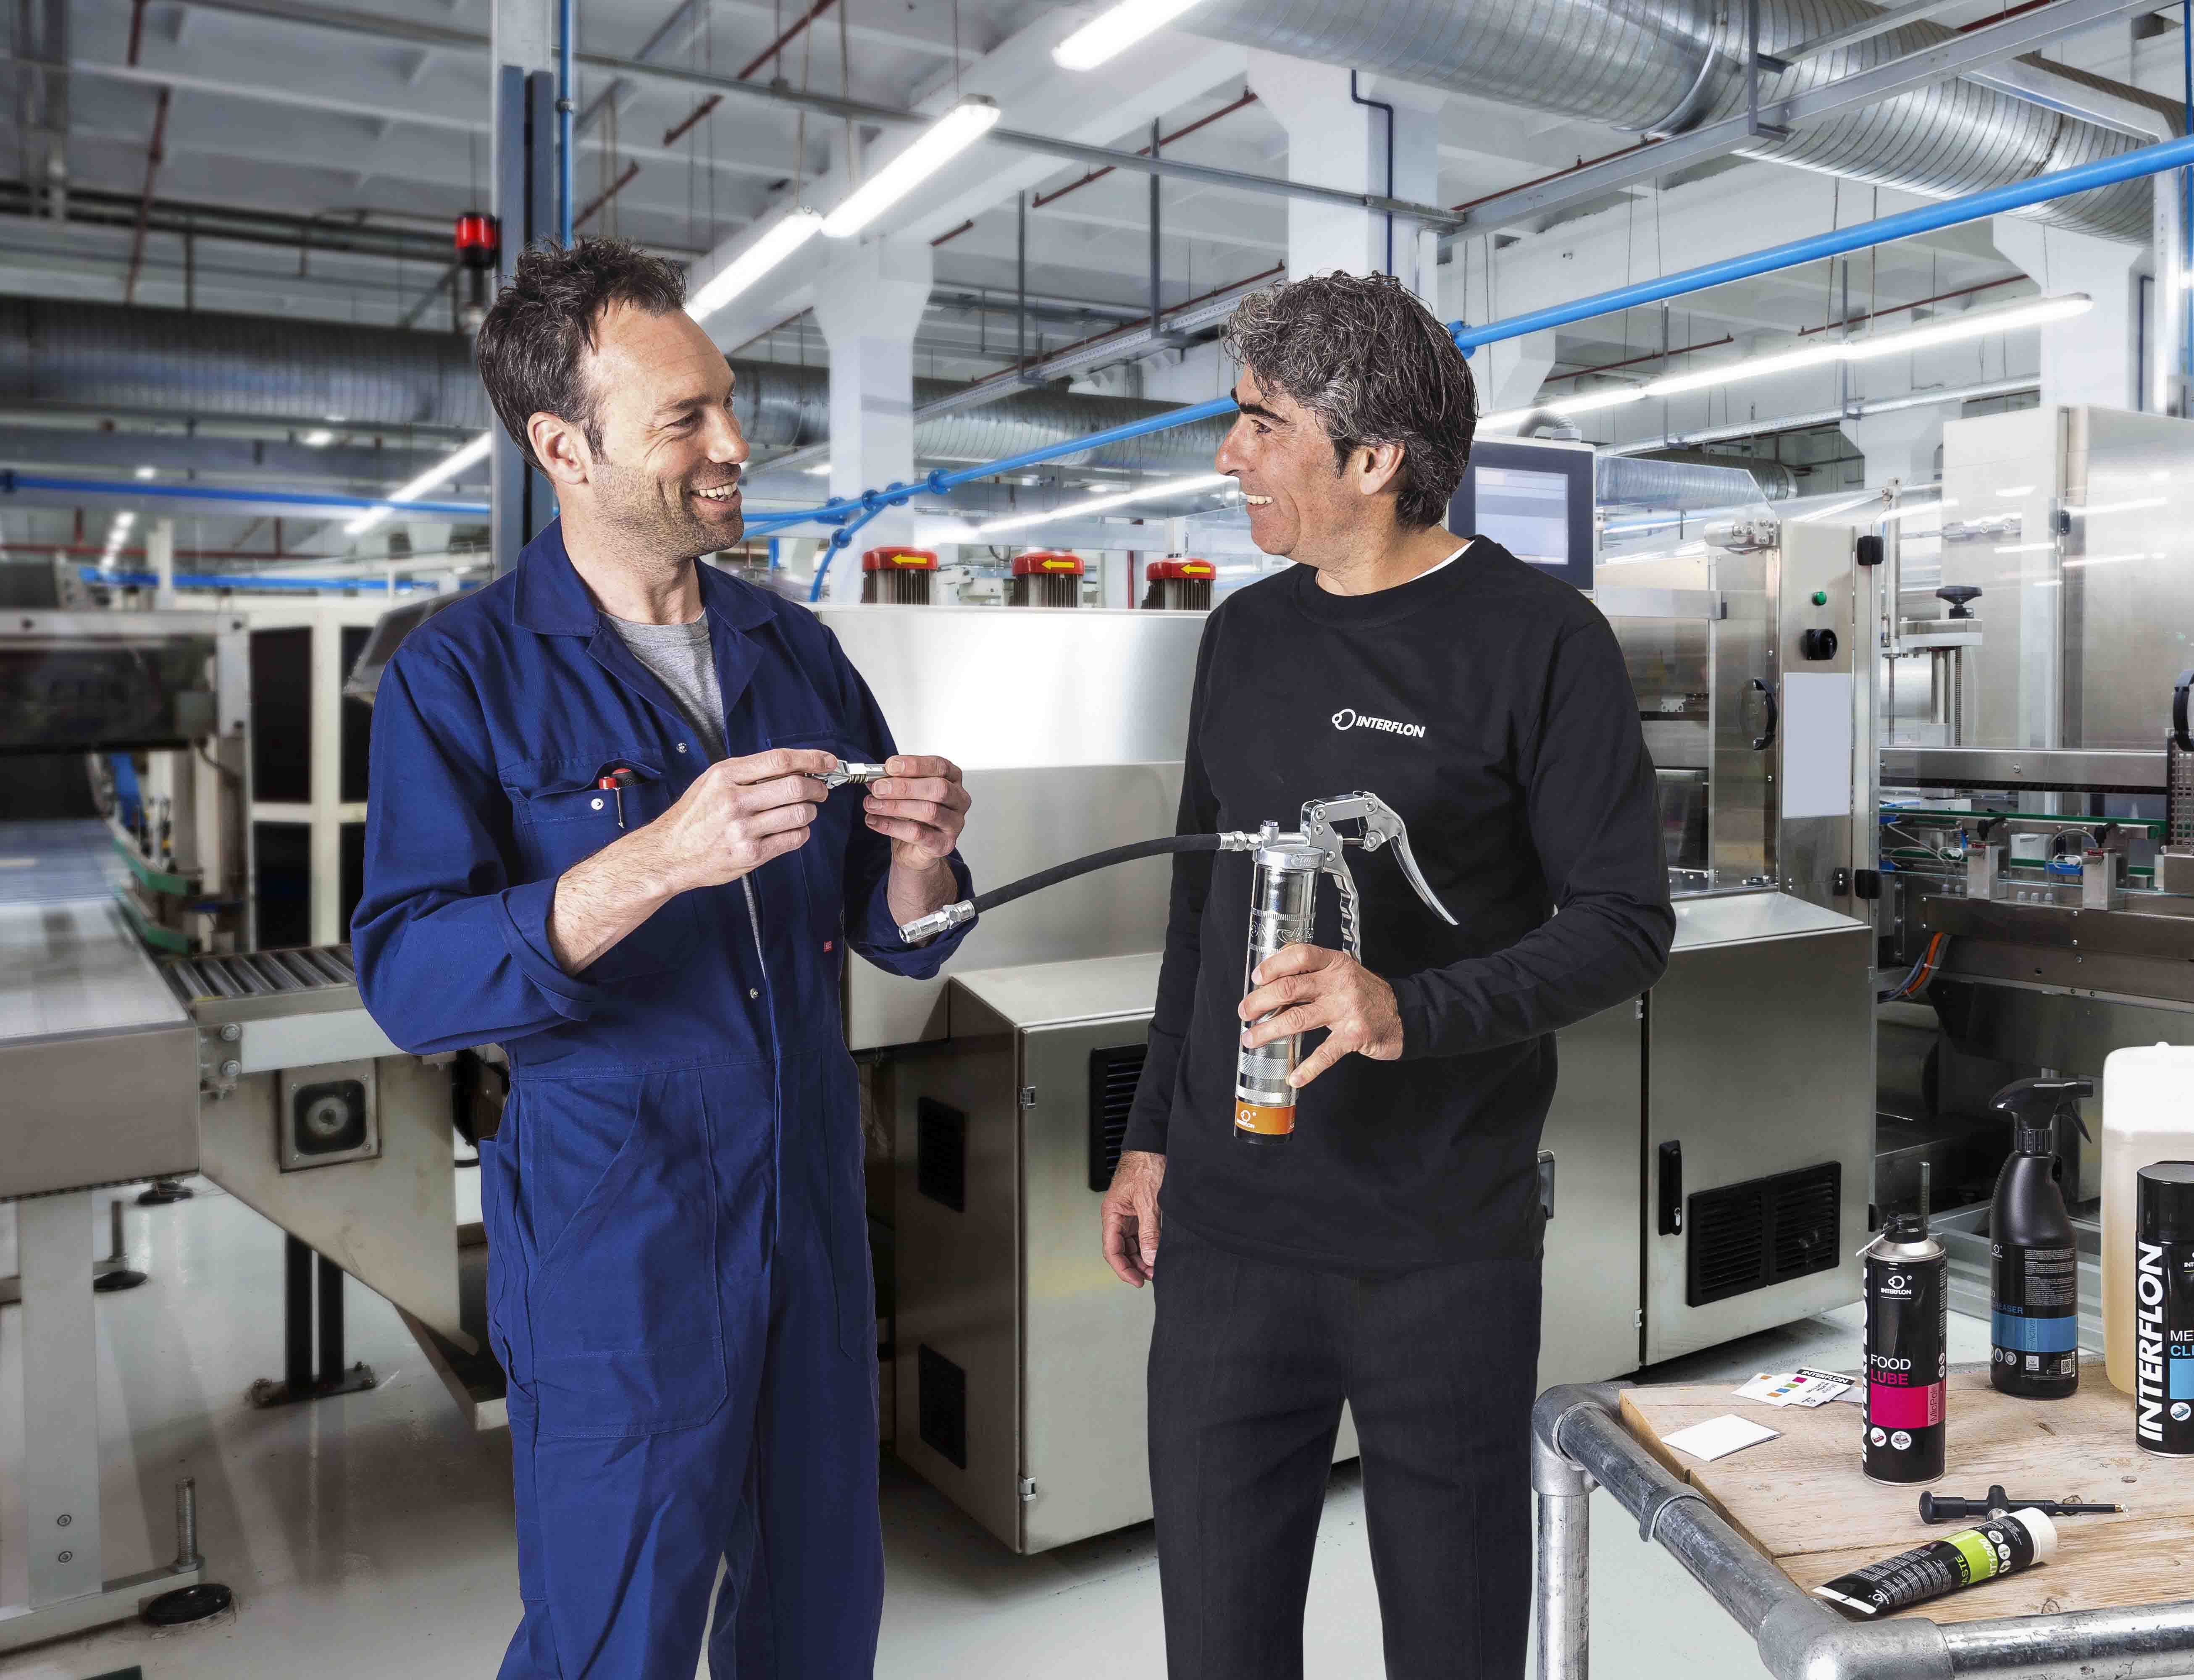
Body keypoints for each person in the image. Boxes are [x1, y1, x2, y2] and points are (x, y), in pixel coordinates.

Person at [352, 238, 973, 1680]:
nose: (735, 444)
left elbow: (891, 926)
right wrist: (656, 860)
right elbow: (414, 978)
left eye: (728, 403)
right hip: (619, 1237)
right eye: (685, 418)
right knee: (616, 1631)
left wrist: (924, 858)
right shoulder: (462, 674)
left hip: (809, 1211)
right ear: (563, 448)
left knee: (818, 1615)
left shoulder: (795, 651)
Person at [1099, 271, 1674, 1679]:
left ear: (1374, 460)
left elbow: (1625, 921)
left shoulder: (1542, 641)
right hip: (1229, 1240)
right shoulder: (1246, 635)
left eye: (1262, 424)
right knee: (1219, 1644)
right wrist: (1149, 1135)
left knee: (1455, 1639)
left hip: (1442, 1244)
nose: (1228, 454)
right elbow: (1201, 907)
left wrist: (1406, 1008)